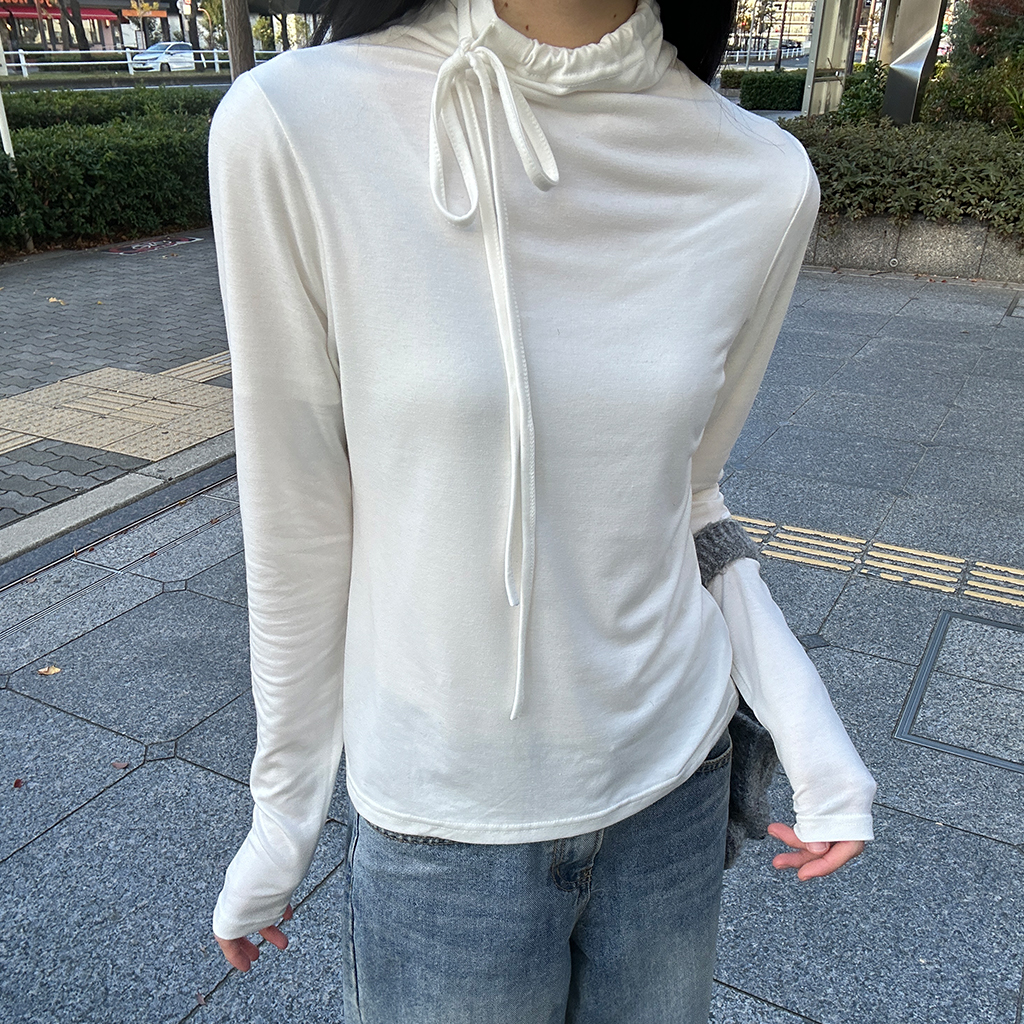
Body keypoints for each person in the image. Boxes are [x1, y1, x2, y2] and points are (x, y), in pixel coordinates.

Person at [207, 0, 877, 1020]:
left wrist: (810, 732)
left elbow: (689, 497)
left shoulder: (761, 177)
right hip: (444, 824)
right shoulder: (294, 125)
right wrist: (281, 816)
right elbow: (297, 519)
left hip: (674, 789)